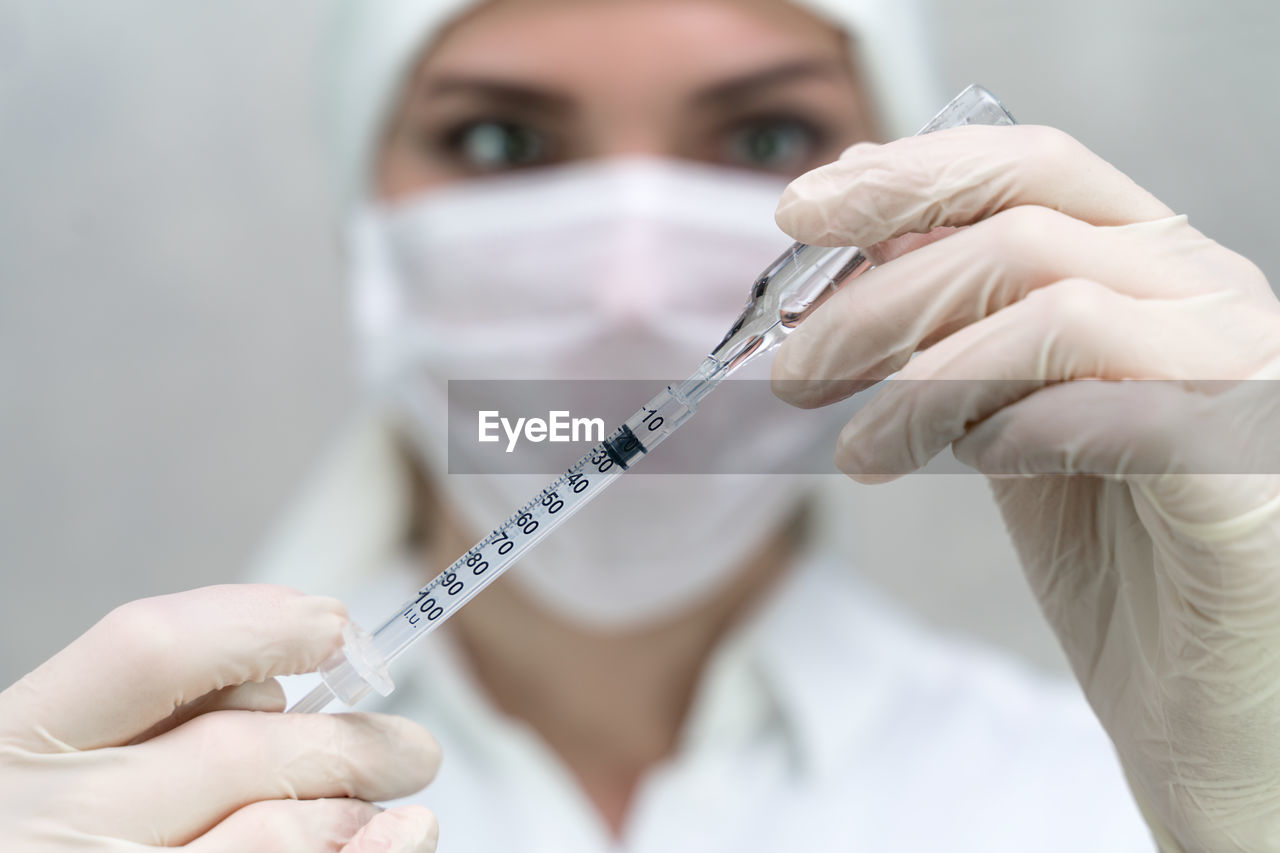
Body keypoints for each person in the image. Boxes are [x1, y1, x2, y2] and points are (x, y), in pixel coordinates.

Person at [3, 1, 1279, 851]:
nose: (623, 297)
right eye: (502, 139)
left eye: (762, 133)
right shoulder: (93, 793)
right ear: (363, 223)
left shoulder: (1098, 796)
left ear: (906, 225)